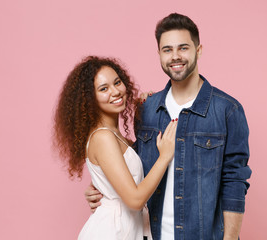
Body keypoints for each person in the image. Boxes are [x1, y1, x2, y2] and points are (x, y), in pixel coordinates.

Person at [85, 13, 252, 240]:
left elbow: (234, 181)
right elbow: (131, 165)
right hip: (150, 235)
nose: (175, 56)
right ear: (159, 54)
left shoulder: (227, 110)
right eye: (167, 50)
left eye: (183, 48)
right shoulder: (147, 110)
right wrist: (103, 189)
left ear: (198, 50)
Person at [53, 55, 178, 240]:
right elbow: (135, 200)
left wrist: (147, 107)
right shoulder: (103, 137)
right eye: (104, 89)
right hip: (113, 232)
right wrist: (165, 157)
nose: (115, 91)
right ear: (90, 99)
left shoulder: (116, 136)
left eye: (117, 82)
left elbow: (122, 176)